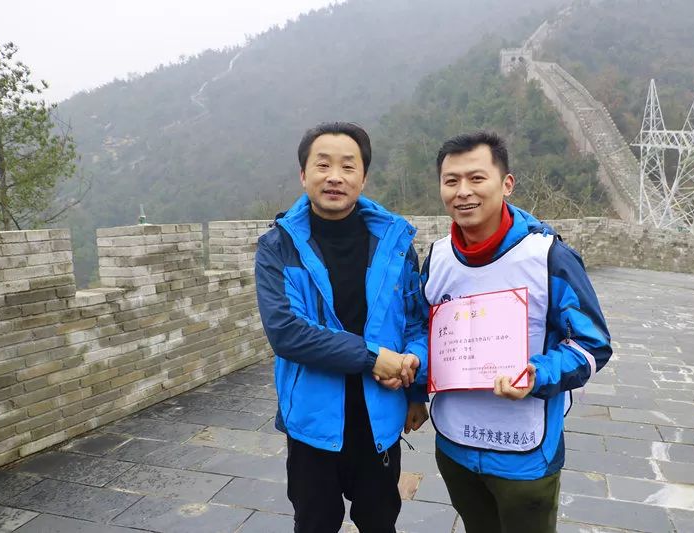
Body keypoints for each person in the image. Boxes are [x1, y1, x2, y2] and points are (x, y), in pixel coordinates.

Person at [421, 131, 612, 533]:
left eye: (477, 178)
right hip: (455, 444)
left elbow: (592, 345)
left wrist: (537, 374)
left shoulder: (547, 257)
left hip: (523, 455)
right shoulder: (437, 258)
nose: (463, 191)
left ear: (506, 184)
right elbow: (423, 333)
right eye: (451, 180)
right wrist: (413, 375)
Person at [255, 122, 430, 533]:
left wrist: (414, 380)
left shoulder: (395, 245)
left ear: (363, 178)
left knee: (380, 521)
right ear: (304, 175)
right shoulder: (277, 248)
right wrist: (373, 358)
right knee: (315, 522)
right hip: (312, 423)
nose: (335, 176)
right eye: (323, 165)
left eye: (348, 166)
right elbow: (287, 332)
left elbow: (417, 321)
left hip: (380, 419)